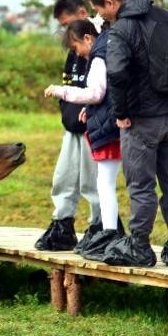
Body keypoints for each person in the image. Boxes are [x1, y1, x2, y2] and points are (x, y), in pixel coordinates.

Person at [85, 0, 168, 268]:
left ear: (110, 3)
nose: (99, 16)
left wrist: (120, 114)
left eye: (99, 10)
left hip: (143, 119)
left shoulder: (122, 29)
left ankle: (139, 245)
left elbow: (118, 74)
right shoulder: (166, 17)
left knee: (141, 184)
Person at [44, 19, 125, 260]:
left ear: (88, 38)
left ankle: (107, 233)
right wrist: (90, 110)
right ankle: (106, 234)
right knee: (103, 183)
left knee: (103, 184)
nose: (76, 53)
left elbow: (97, 93)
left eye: (76, 47)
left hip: (109, 131)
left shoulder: (100, 56)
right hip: (102, 126)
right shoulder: (103, 51)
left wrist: (61, 91)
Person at [34, 0, 102, 252]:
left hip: (93, 125)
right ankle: (62, 223)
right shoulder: (74, 46)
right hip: (72, 124)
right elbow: (69, 81)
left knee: (92, 182)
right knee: (63, 175)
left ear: (83, 13)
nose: (66, 33)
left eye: (67, 24)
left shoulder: (100, 41)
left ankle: (101, 226)